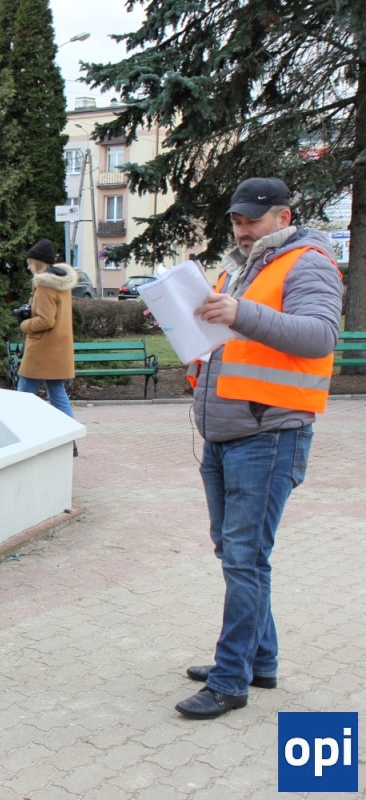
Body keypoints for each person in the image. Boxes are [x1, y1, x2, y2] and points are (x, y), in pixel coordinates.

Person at [175, 177, 343, 720]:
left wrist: (238, 313)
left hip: (269, 434)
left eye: (253, 220)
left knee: (245, 558)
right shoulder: (239, 269)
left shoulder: (309, 263)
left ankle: (231, 680)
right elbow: (235, 344)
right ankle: (260, 660)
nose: (243, 229)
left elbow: (319, 336)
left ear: (283, 217)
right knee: (235, 554)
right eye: (237, 220)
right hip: (226, 432)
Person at [15, 239, 79, 452]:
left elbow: (45, 320)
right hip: (58, 350)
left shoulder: (44, 286)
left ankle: (18, 440)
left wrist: (25, 324)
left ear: (39, 263)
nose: (28, 267)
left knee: (24, 396)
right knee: (57, 394)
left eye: (30, 263)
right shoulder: (62, 284)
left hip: (42, 350)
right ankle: (70, 442)